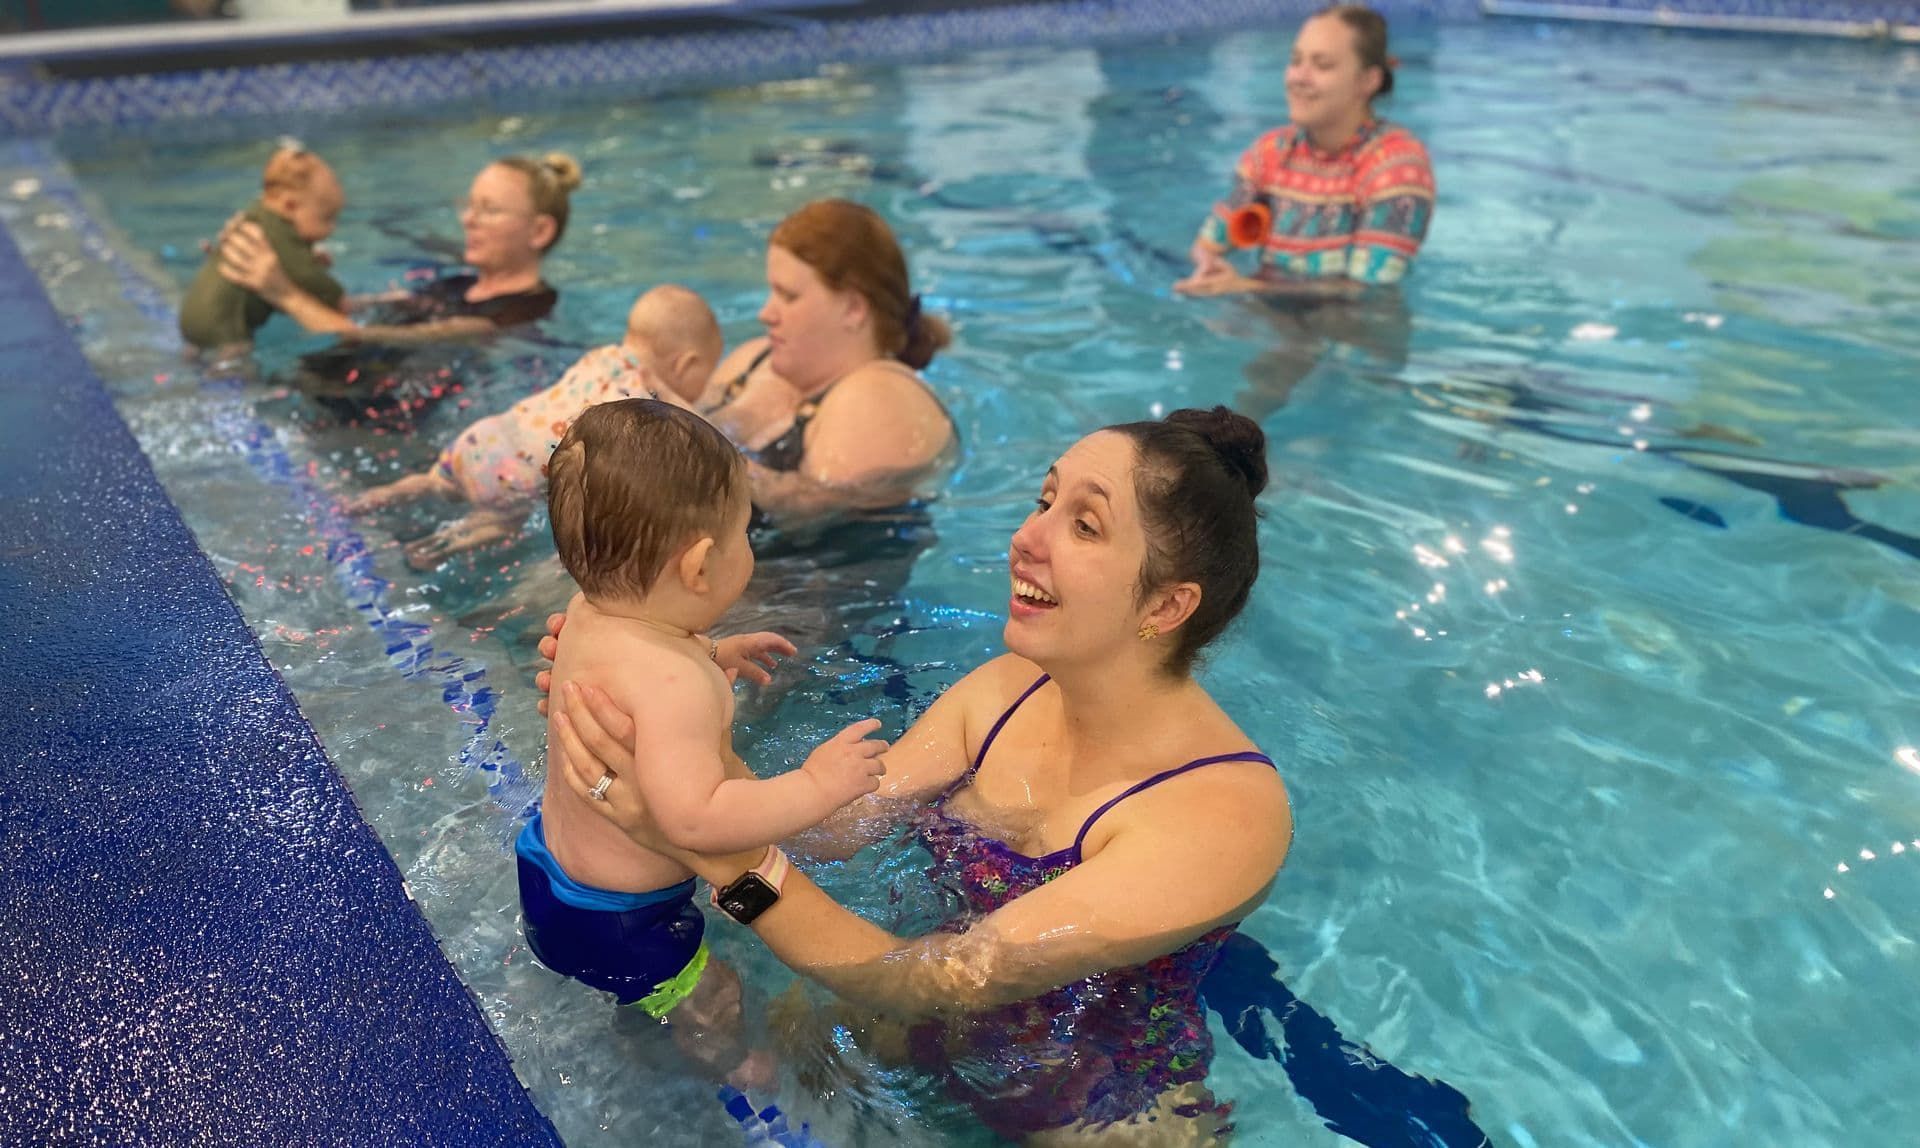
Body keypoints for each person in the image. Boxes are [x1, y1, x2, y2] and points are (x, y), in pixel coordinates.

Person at [543, 406, 1294, 1143]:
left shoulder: (1223, 810)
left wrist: (693, 840)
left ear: (1167, 604)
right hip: (895, 1028)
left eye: (1084, 524)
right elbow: (834, 831)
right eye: (1043, 501)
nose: (1025, 538)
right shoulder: (1007, 690)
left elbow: (944, 979)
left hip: (1094, 1108)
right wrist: (660, 721)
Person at [521, 398, 893, 1088]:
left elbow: (647, 673)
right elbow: (694, 820)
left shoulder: (588, 613)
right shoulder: (675, 685)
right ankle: (723, 1065)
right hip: (628, 922)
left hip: (552, 874)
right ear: (698, 567)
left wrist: (711, 655)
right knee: (712, 997)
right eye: (746, 532)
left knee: (638, 988)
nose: (751, 546)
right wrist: (816, 787)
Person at [345, 285, 723, 568]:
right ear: (686, 365)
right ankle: (430, 550)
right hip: (514, 475)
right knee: (495, 523)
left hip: (483, 438)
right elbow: (692, 425)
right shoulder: (642, 398)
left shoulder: (603, 355)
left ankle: (371, 499)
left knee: (431, 480)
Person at [697, 198, 956, 526]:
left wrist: (693, 444)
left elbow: (808, 513)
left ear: (853, 309)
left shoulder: (878, 394)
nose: (766, 314)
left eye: (788, 296)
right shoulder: (753, 359)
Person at [1176, 4, 1434, 299]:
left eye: (1322, 65)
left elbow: (1369, 293)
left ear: (1368, 81)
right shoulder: (1270, 154)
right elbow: (1208, 242)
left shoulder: (1395, 165)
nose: (1299, 77)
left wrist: (1246, 287)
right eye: (1296, 61)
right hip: (1270, 318)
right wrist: (1207, 266)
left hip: (1356, 332)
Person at [217, 151, 579, 345]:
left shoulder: (517, 314)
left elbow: (358, 335)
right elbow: (346, 310)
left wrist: (283, 292)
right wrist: (289, 266)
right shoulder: (460, 283)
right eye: (469, 205)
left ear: (539, 231)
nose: (468, 220)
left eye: (490, 210)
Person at [178, 141, 344, 354]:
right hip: (225, 330)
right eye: (327, 218)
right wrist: (337, 296)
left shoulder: (254, 216)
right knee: (237, 370)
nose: (332, 229)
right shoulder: (278, 233)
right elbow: (307, 277)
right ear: (290, 205)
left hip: (192, 318)